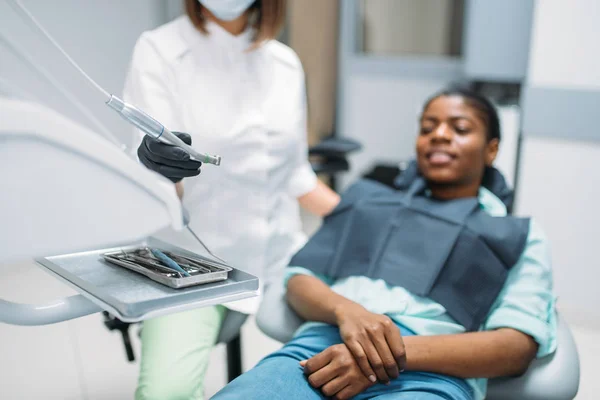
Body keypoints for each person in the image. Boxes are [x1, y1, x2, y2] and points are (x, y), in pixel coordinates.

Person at [211, 89, 557, 400]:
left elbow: (515, 346)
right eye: (428, 128)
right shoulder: (368, 201)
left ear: (491, 149)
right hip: (321, 350)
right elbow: (300, 279)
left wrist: (384, 354)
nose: (439, 135)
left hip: (431, 373)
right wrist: (348, 311)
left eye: (460, 129)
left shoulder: (515, 234)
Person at [123, 1, 340, 399]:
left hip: (282, 256)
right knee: (164, 394)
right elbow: (157, 190)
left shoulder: (285, 63)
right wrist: (161, 171)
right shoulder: (159, 49)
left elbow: (294, 175)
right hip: (192, 261)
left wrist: (357, 215)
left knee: (358, 362)